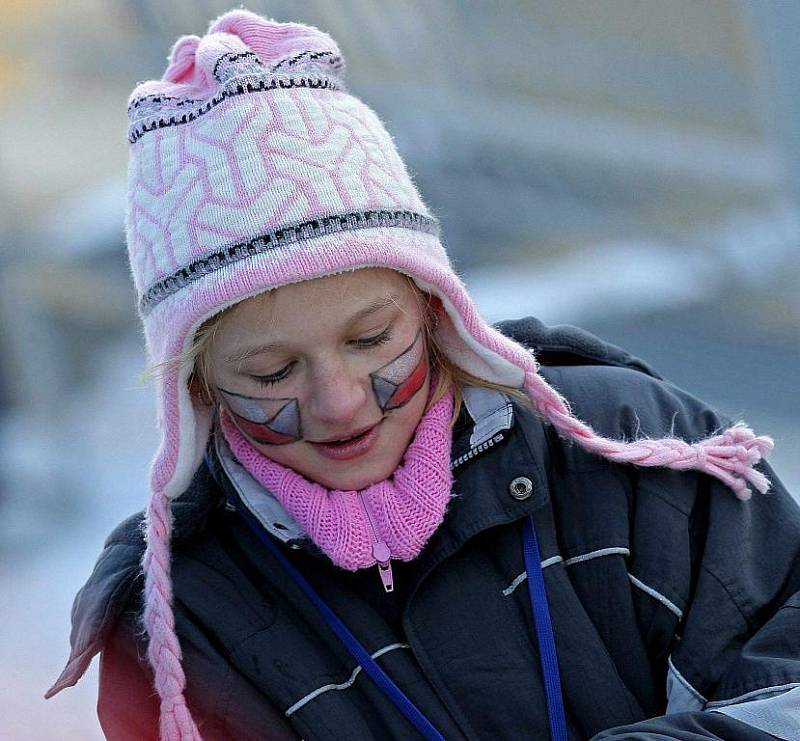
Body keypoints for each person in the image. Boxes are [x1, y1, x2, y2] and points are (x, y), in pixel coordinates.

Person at [45, 8, 800, 741]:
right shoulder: (189, 625)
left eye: (372, 338)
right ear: (197, 390)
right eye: (272, 372)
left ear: (438, 310)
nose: (340, 402)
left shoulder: (632, 455)